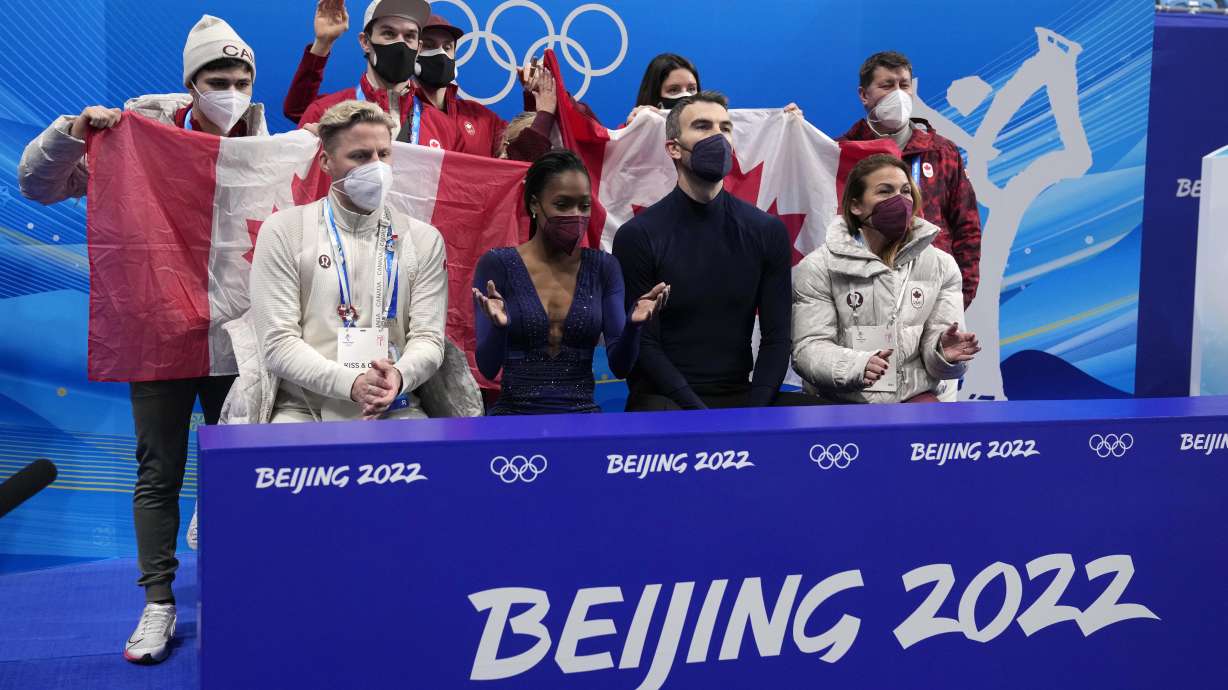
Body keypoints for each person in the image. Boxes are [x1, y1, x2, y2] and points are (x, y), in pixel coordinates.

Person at [17, 15, 265, 665]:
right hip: (159, 334)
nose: (232, 91)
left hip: (237, 339)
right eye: (219, 79)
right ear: (191, 81)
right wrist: (72, 135)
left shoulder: (273, 149)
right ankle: (158, 602)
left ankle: (237, 596)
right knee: (159, 471)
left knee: (237, 470)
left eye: (242, 80)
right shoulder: (137, 136)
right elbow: (35, 186)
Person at [250, 100, 448, 423]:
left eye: (383, 155)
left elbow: (429, 339)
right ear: (326, 162)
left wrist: (397, 378)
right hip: (303, 410)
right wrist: (352, 384)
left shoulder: (424, 240)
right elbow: (278, 343)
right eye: (359, 156)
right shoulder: (285, 231)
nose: (376, 167)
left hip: (397, 405)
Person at [613, 92, 812, 411]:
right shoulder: (637, 236)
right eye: (703, 126)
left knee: (825, 415)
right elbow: (645, 347)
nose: (717, 137)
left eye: (726, 128)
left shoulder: (766, 231)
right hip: (667, 400)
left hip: (741, 396)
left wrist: (756, 415)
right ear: (674, 148)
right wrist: (701, 414)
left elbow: (777, 338)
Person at [472, 150, 668, 415]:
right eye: (562, 205)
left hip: (583, 418)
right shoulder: (497, 265)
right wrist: (498, 328)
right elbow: (487, 367)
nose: (575, 215)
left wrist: (634, 327)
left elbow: (620, 366)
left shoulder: (604, 268)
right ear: (534, 204)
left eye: (584, 206)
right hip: (513, 419)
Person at [792, 154, 980, 403]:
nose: (900, 200)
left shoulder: (941, 265)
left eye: (905, 191)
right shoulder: (818, 268)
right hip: (843, 403)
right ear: (856, 206)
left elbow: (940, 360)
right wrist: (857, 366)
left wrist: (943, 352)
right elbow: (808, 349)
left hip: (916, 400)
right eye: (885, 191)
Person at [287, 1, 556, 161]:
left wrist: (537, 100)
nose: (400, 44)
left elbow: (509, 169)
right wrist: (322, 45)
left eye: (409, 36)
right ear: (365, 42)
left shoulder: (446, 126)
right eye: (389, 34)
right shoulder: (328, 111)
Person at [837, 50, 981, 309]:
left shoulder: (942, 151)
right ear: (863, 95)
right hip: (863, 297)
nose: (898, 94)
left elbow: (967, 228)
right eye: (887, 85)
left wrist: (960, 295)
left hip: (932, 293)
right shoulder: (841, 153)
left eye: (904, 85)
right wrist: (792, 126)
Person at [623, 53, 802, 127]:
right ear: (655, 97)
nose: (686, 96)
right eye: (674, 90)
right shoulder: (634, 126)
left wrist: (786, 126)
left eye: (692, 89)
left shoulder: (717, 132)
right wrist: (631, 134)